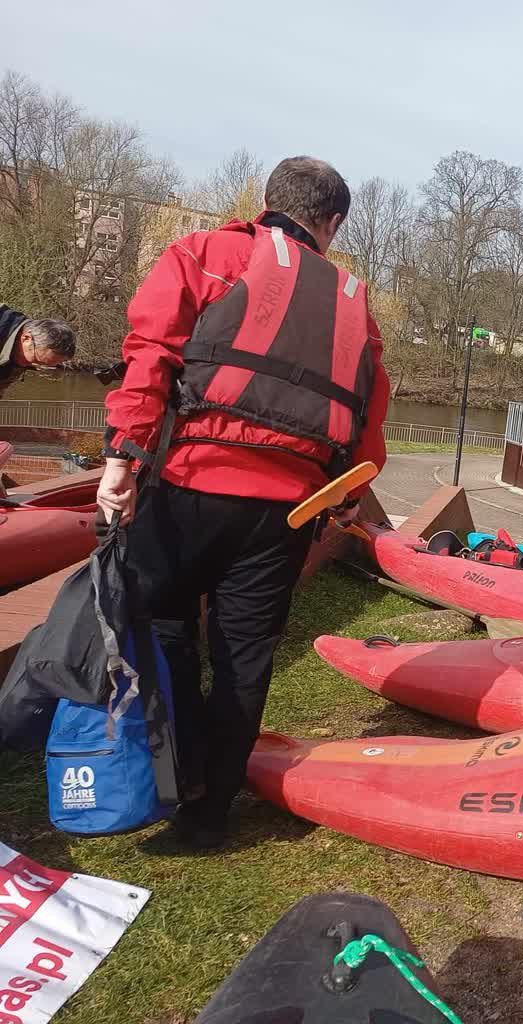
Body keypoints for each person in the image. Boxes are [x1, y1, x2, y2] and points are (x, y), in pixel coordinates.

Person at [96, 156, 390, 846]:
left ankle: (171, 768)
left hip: (188, 487)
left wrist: (122, 457)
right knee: (245, 657)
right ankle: (209, 813)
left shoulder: (205, 253)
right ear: (334, 223)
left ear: (269, 203)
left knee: (164, 624)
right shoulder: (355, 301)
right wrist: (350, 495)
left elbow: (151, 354)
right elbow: (369, 409)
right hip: (283, 514)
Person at [0, 305, 76, 396]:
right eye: (35, 360)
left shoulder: (20, 354)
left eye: (45, 365)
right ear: (26, 338)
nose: (37, 367)